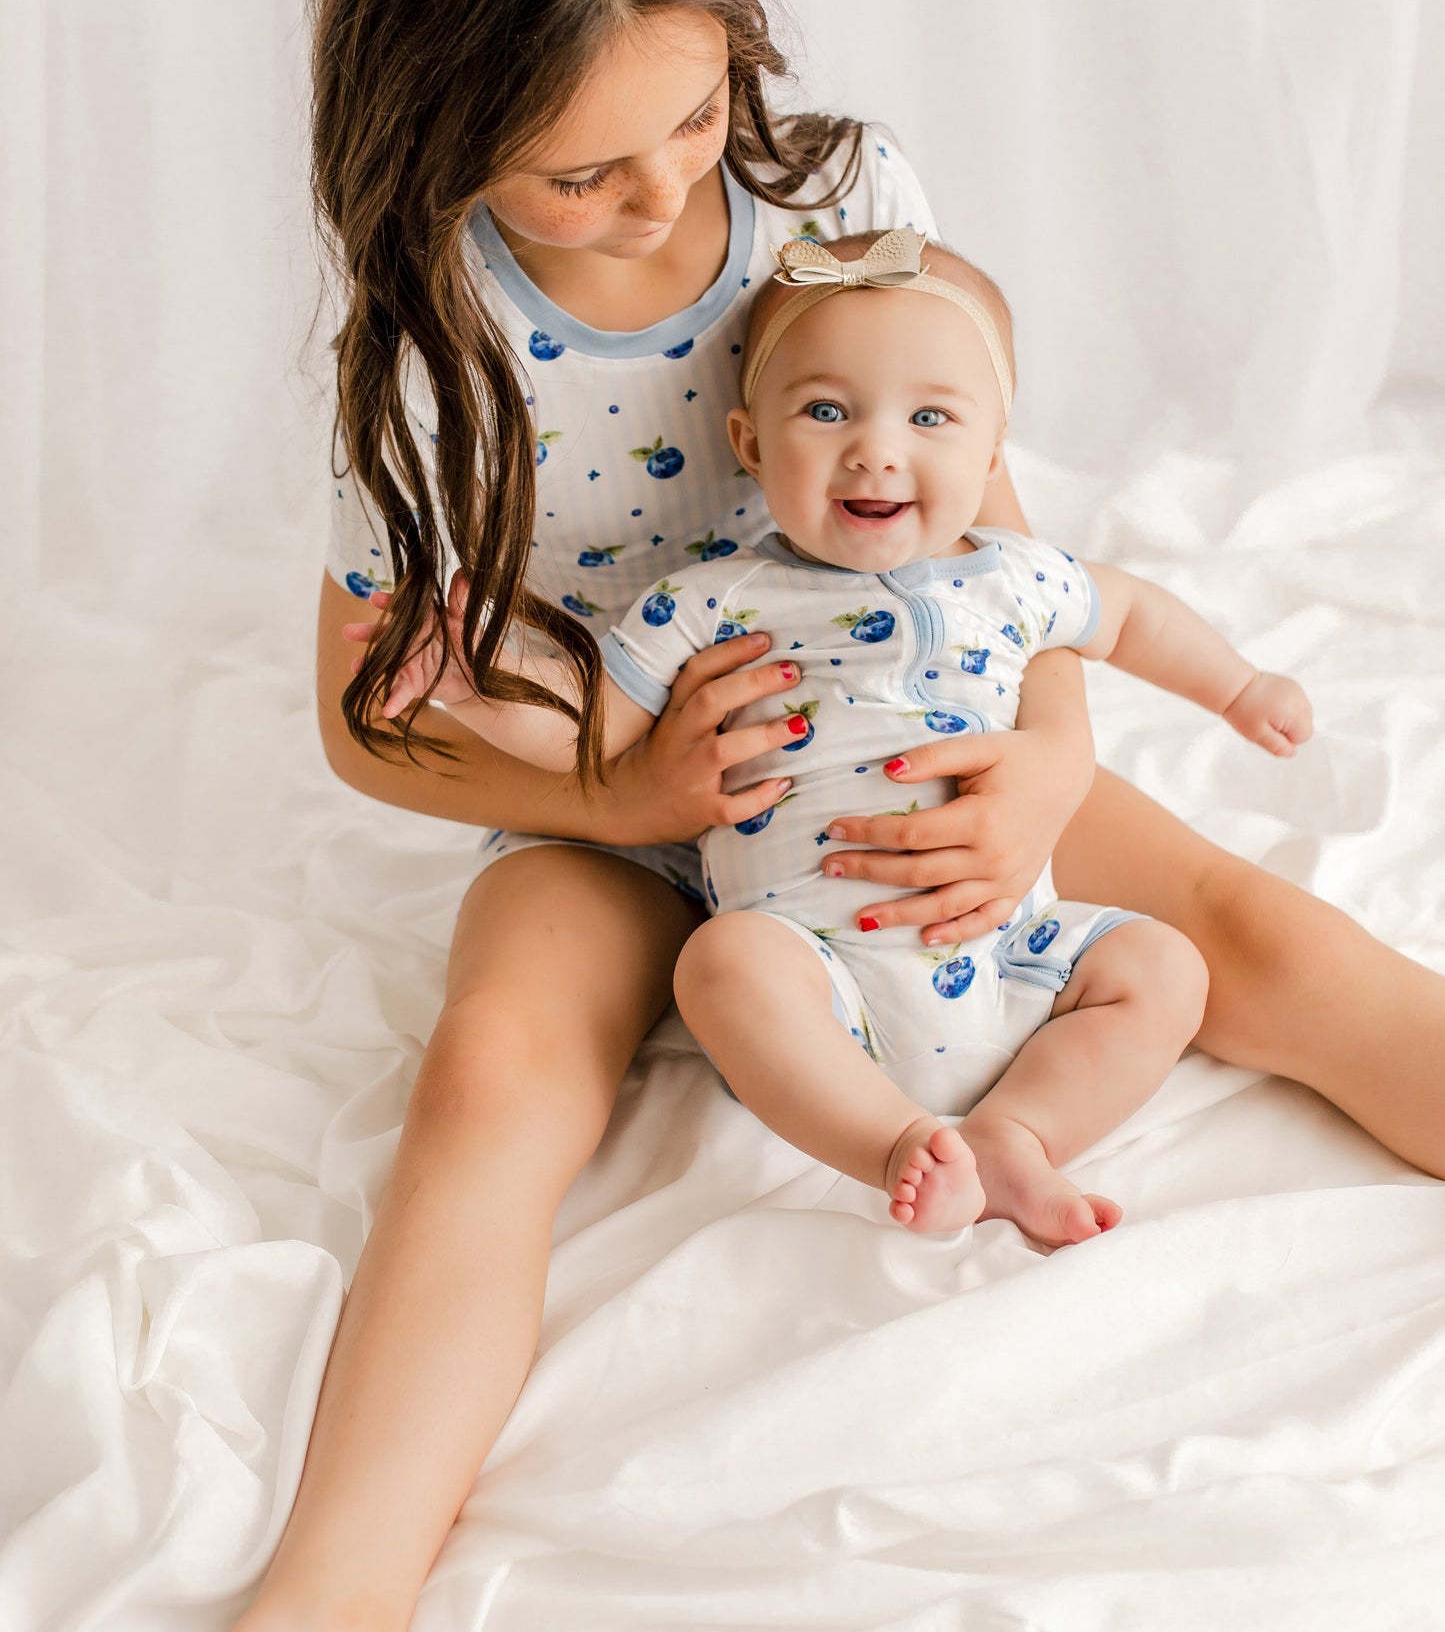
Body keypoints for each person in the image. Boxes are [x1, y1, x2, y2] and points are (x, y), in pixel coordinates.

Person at [2, 0, 1441, 1632]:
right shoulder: (430, 347)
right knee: (495, 1073)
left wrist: (1043, 760)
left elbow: (989, 520)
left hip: (915, 732)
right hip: (626, 793)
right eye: (582, 170)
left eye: (693, 118)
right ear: (438, 145)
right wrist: (617, 795)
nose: (663, 192)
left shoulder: (830, 186)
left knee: (1228, 915)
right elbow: (363, 710)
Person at [373, 224, 1313, 1242]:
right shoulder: (714, 598)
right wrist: (475, 686)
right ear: (749, 442)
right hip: (817, 972)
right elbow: (591, 721)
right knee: (720, 965)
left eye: (928, 416)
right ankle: (892, 1140)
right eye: (825, 410)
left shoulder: (1014, 574)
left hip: (1007, 956)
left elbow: (1128, 616)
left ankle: (1018, 1133)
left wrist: (1238, 685)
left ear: (990, 450)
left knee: (1162, 967)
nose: (876, 446)